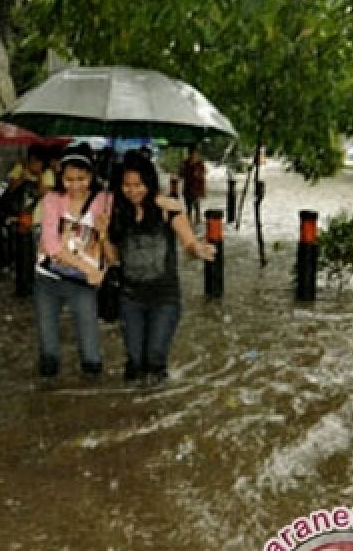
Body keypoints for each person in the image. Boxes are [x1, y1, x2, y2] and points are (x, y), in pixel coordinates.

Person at [110, 150, 216, 384]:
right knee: (136, 361)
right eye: (126, 185)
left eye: (138, 184)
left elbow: (187, 242)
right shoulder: (116, 211)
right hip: (130, 297)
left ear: (149, 182)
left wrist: (197, 249)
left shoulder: (167, 208)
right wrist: (101, 232)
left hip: (164, 298)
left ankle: (157, 411)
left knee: (155, 359)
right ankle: (131, 412)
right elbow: (113, 259)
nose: (132, 190)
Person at [33, 142, 114, 379]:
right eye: (69, 179)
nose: (76, 186)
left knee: (91, 354)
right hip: (48, 278)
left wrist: (104, 232)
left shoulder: (105, 201)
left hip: (83, 284)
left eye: (81, 178)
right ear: (61, 176)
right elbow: (50, 245)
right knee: (48, 352)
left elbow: (110, 248)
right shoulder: (52, 199)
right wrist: (87, 268)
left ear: (91, 175)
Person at [1, 144, 54, 297]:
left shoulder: (47, 173)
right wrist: (22, 177)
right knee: (22, 254)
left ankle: (36, 285)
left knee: (36, 256)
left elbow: (44, 193)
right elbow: (10, 189)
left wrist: (38, 177)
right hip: (22, 219)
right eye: (32, 161)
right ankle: (22, 286)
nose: (34, 164)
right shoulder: (20, 169)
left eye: (37, 161)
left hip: (39, 220)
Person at [180, 146, 206, 224]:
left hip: (196, 189)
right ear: (189, 154)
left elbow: (202, 175)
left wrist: (198, 174)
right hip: (187, 188)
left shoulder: (200, 164)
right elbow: (181, 175)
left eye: (195, 154)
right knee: (188, 207)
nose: (193, 156)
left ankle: (197, 220)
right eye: (192, 154)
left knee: (196, 205)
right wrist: (182, 169)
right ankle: (189, 220)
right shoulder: (185, 163)